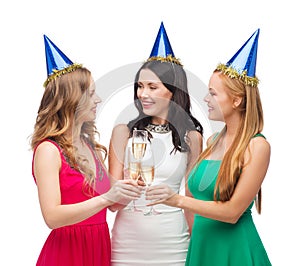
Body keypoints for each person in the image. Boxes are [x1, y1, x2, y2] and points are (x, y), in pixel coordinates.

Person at [146, 29, 272, 266]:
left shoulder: (257, 146)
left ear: (237, 100)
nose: (205, 99)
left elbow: (232, 212)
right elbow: (197, 197)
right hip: (202, 247)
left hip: (235, 251)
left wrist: (177, 200)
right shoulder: (213, 141)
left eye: (213, 93)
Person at [31, 35, 141, 266]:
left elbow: (110, 205)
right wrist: (107, 198)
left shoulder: (89, 146)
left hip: (97, 246)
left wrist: (127, 191)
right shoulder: (49, 150)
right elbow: (52, 217)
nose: (98, 99)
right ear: (71, 99)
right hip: (67, 252)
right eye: (90, 94)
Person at [109, 22, 203, 265]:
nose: (143, 94)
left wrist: (198, 244)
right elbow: (113, 204)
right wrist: (127, 188)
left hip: (173, 241)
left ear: (173, 91)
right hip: (127, 243)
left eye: (152, 87)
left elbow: (191, 199)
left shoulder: (192, 137)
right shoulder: (123, 133)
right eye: (140, 86)